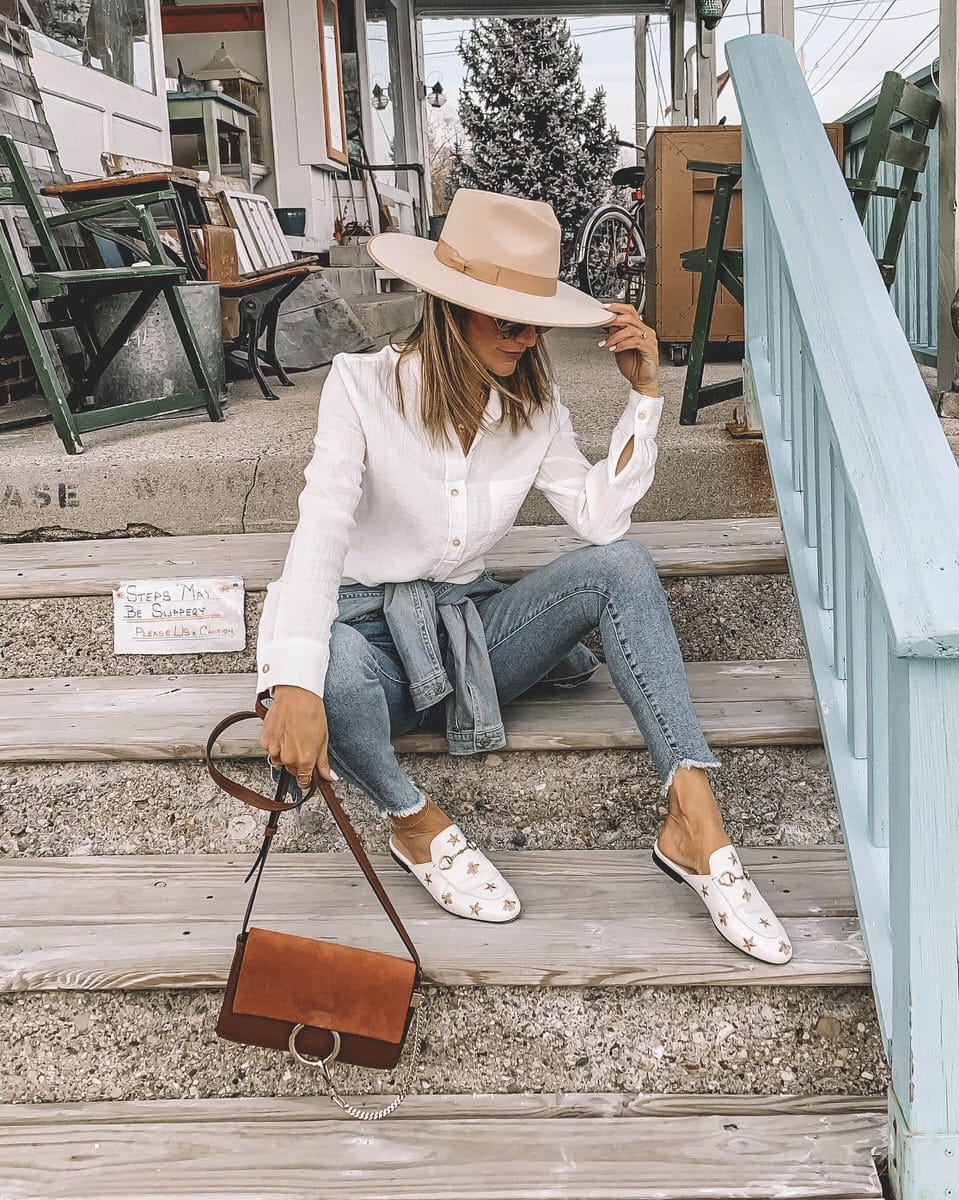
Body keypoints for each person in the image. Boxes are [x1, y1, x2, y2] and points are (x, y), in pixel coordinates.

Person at [257, 188, 791, 965]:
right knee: (322, 667)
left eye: (536, 322)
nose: (525, 339)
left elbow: (601, 523)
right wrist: (295, 681)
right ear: (451, 308)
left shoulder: (534, 404)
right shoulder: (360, 386)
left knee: (623, 567)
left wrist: (644, 395)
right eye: (509, 321)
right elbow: (321, 524)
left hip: (469, 642)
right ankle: (412, 818)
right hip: (362, 640)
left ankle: (695, 823)